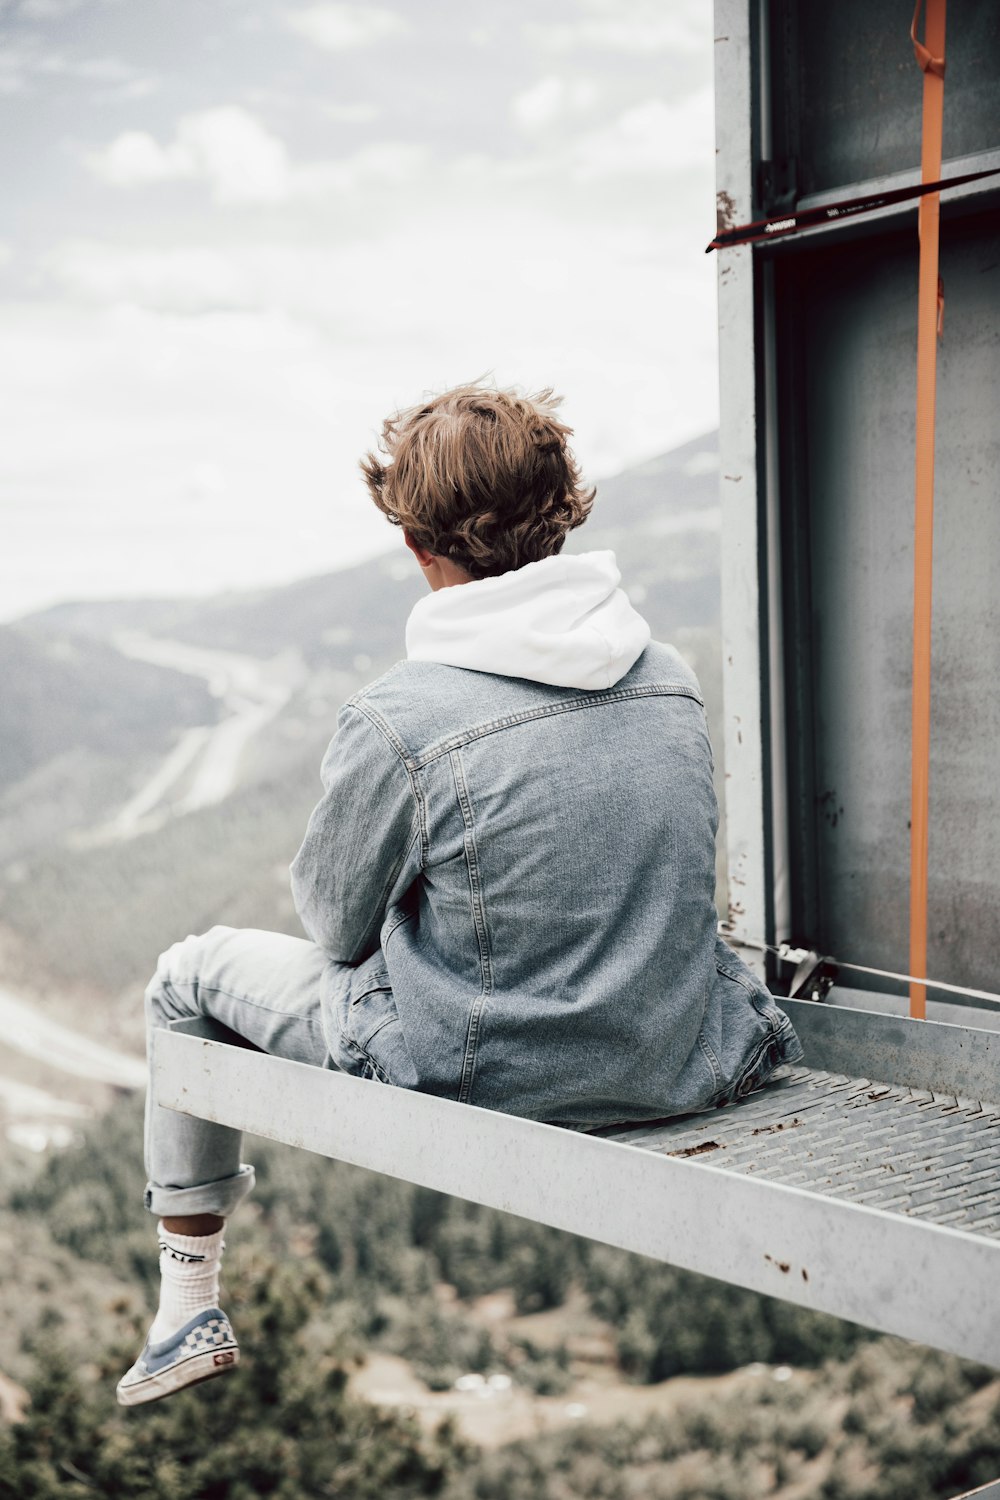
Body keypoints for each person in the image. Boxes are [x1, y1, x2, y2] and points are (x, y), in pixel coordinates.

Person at [117, 382, 802, 1406]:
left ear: (417, 547)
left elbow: (333, 927)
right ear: (564, 513)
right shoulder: (666, 672)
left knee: (183, 978)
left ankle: (186, 1305)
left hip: (484, 1074)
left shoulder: (403, 713)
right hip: (678, 1059)